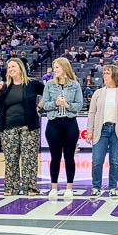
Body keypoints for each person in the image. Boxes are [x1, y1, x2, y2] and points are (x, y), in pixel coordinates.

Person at [0, 58, 44, 196]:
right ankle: (11, 188)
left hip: (29, 127)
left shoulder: (32, 84)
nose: (10, 69)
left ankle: (30, 188)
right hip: (8, 128)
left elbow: (48, 92)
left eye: (13, 66)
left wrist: (40, 105)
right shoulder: (4, 86)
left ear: (20, 68)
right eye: (9, 67)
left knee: (29, 158)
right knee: (11, 159)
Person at [86, 65, 118, 198]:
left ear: (115, 76)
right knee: (97, 161)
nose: (104, 76)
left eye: (107, 73)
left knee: (115, 161)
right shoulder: (98, 93)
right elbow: (92, 113)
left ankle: (113, 187)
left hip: (117, 130)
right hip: (101, 130)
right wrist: (90, 130)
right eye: (104, 73)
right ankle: (96, 187)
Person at [42, 57, 83, 199]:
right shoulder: (49, 85)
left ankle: (69, 187)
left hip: (70, 124)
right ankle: (54, 187)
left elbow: (79, 105)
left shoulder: (75, 85)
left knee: (69, 157)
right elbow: (45, 105)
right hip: (53, 124)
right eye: (54, 68)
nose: (54, 70)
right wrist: (56, 103)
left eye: (57, 68)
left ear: (65, 68)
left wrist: (67, 105)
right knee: (55, 157)